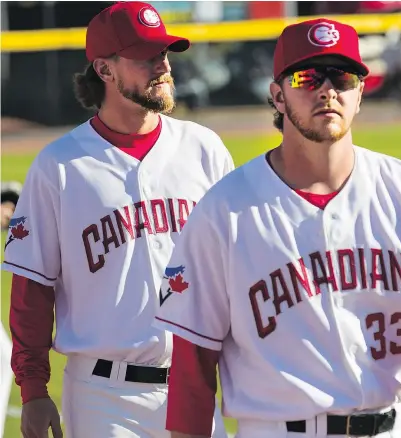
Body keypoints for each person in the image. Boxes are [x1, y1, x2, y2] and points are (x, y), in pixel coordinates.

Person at [154, 18, 401, 438]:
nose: (327, 90)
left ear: (360, 92)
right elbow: (192, 364)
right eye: (307, 77)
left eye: (342, 77)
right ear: (277, 95)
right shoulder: (225, 210)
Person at [2, 2, 232, 437]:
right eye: (145, 56)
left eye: (164, 53)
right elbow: (32, 290)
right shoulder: (60, 166)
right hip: (103, 397)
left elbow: (236, 269)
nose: (162, 65)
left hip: (193, 388)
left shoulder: (205, 150)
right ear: (104, 70)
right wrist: (33, 388)